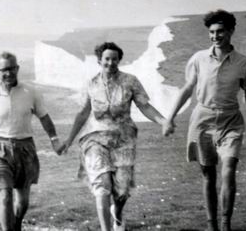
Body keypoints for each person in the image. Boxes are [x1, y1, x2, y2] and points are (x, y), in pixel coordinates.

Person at [163, 9, 246, 231]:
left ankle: (225, 224)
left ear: (231, 31)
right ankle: (212, 225)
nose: (215, 36)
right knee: (208, 174)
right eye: (212, 32)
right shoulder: (198, 59)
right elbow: (188, 88)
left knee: (228, 169)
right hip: (203, 121)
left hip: (231, 121)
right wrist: (170, 117)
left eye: (220, 31)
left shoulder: (243, 62)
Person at [58, 42, 169, 231]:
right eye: (107, 59)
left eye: (114, 59)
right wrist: (69, 140)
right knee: (102, 185)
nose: (110, 63)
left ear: (119, 60)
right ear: (100, 60)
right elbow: (83, 113)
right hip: (95, 138)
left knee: (122, 190)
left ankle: (116, 213)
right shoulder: (91, 83)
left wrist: (164, 121)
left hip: (124, 139)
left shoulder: (130, 81)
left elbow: (145, 106)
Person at [0, 52, 62, 231]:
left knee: (23, 201)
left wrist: (54, 140)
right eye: (4, 70)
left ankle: (17, 224)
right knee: (5, 197)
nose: (9, 73)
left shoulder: (31, 92)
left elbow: (44, 118)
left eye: (12, 68)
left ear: (17, 68)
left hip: (25, 148)